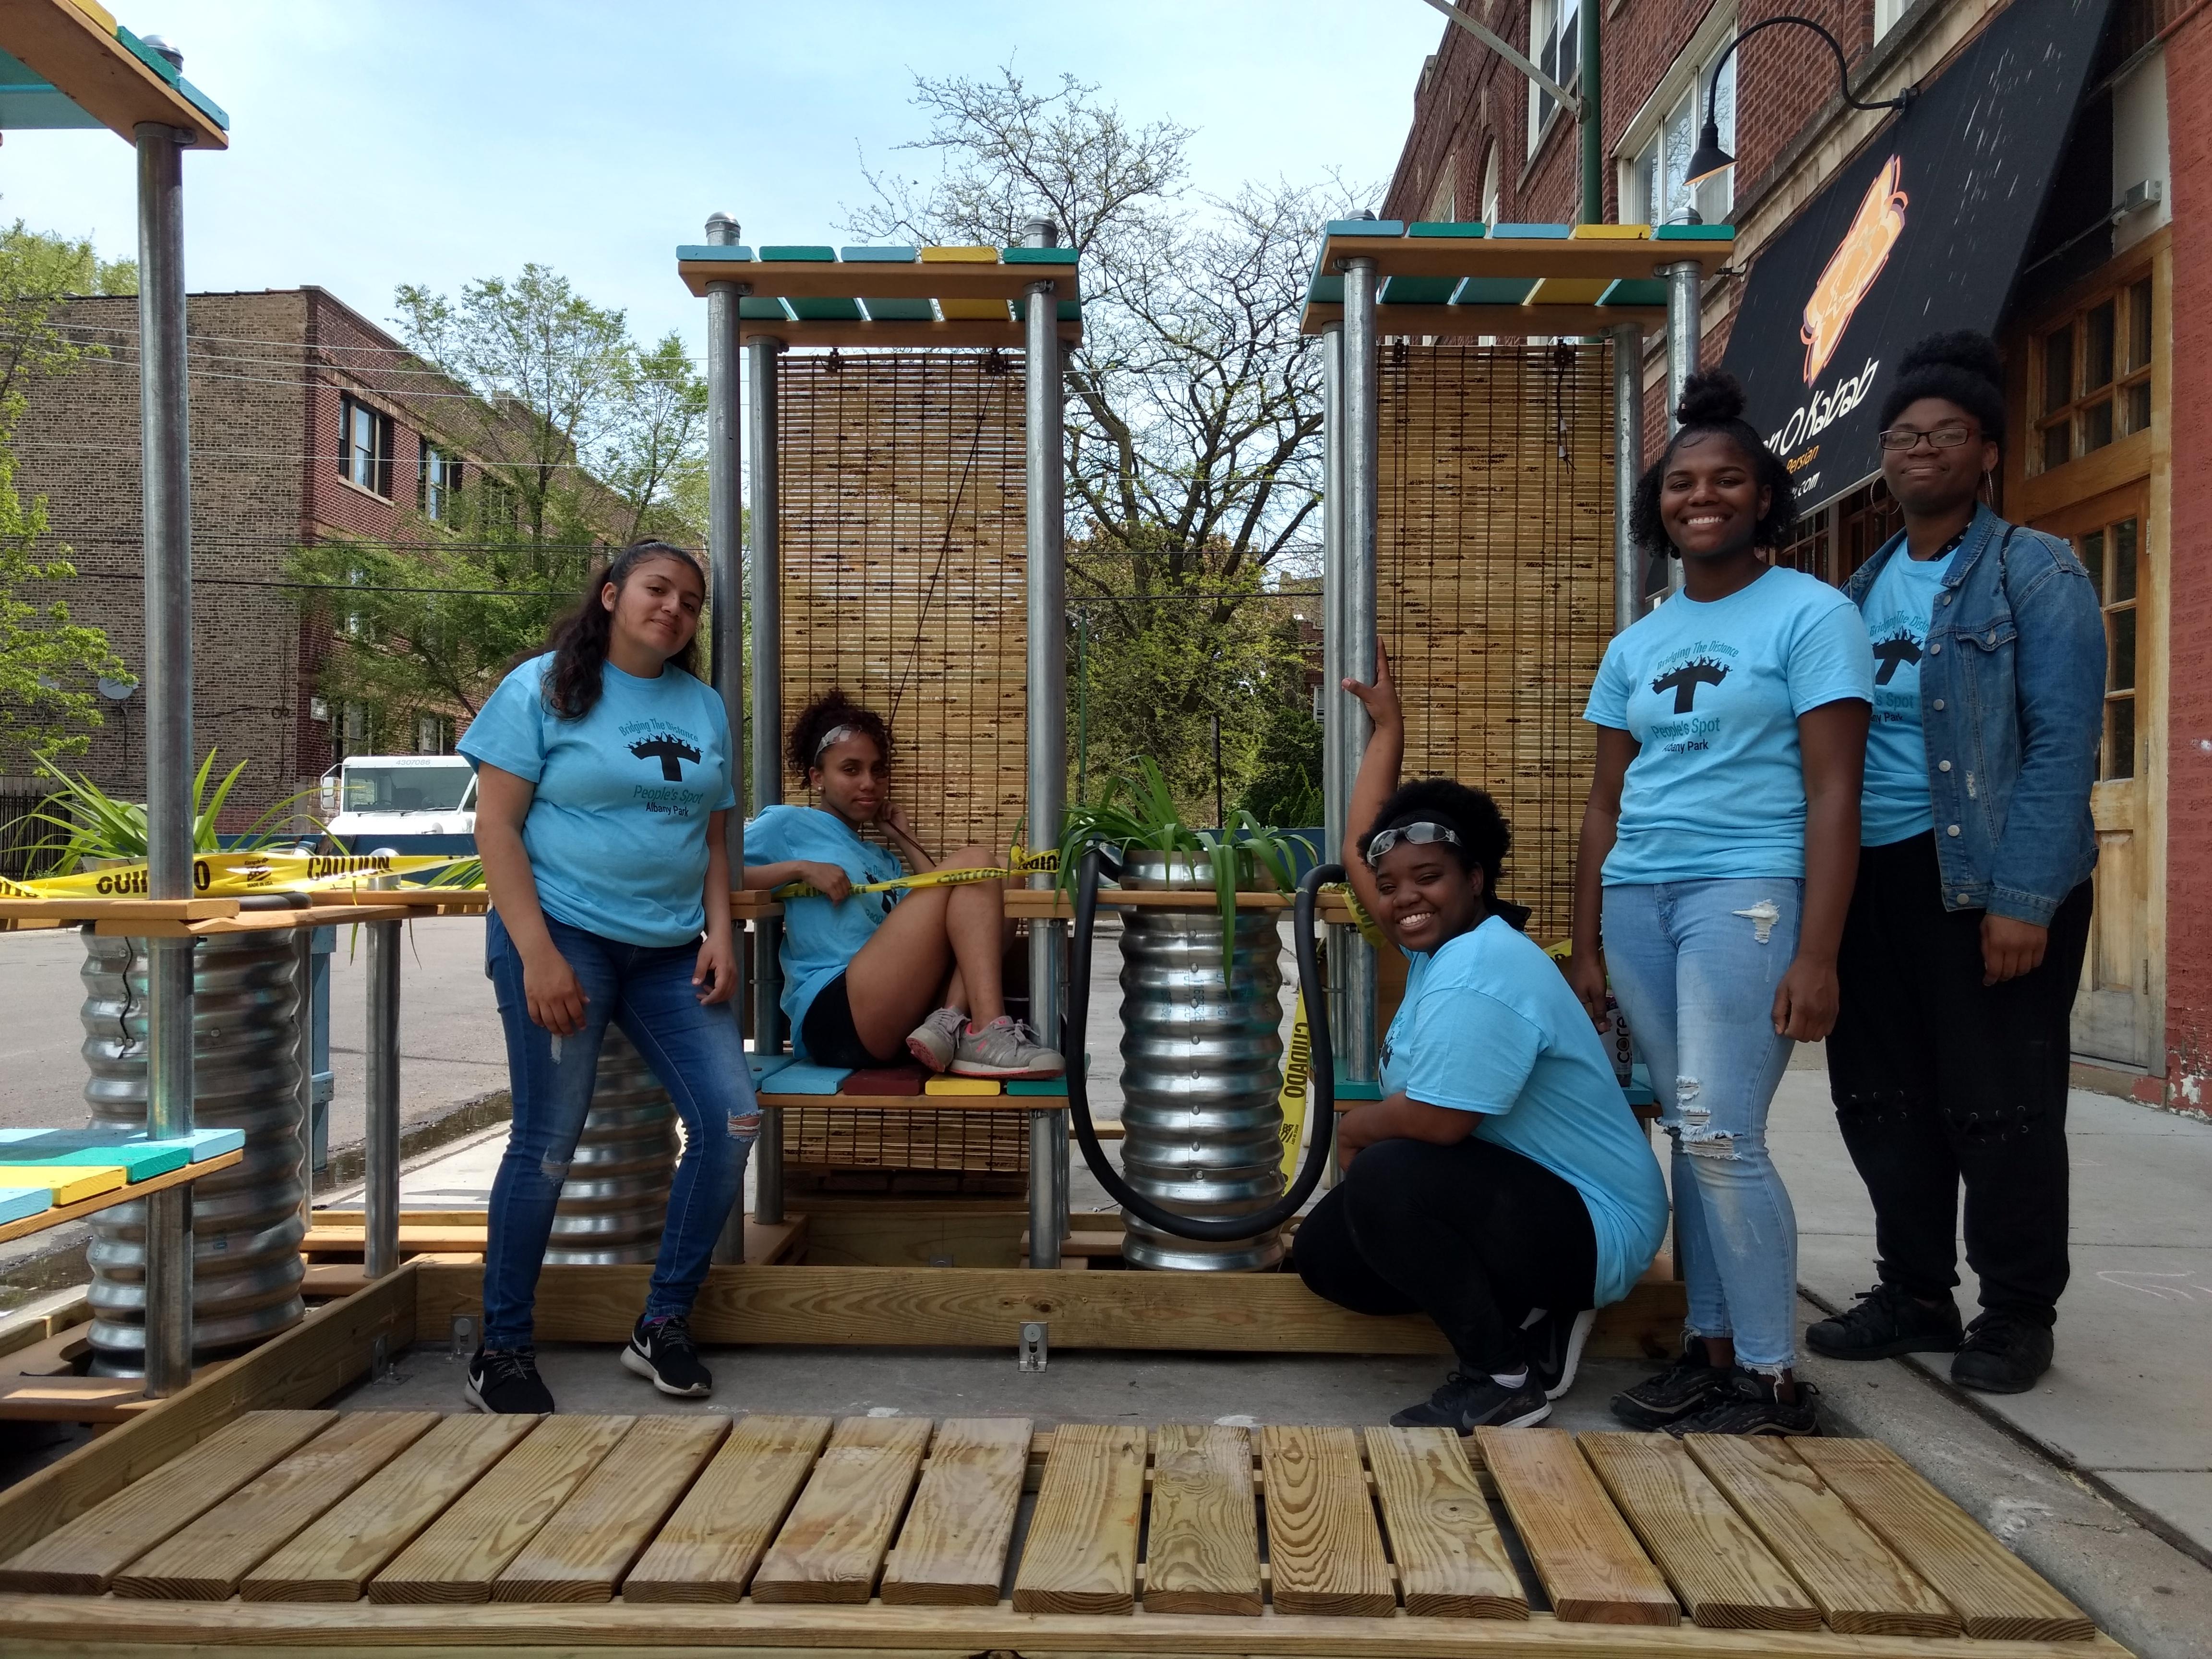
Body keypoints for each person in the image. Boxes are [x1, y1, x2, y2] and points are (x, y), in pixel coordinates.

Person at [1566, 370, 1873, 1438]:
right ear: (1661, 506)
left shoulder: (1814, 615)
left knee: (1718, 1124)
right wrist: (1588, 941)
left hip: (1748, 891)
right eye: (1682, 484)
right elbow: (1607, 802)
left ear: (1763, 497)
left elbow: (1838, 790)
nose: (1702, 498)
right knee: (1690, 1130)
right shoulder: (1637, 643)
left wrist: (1819, 952)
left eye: (1727, 480)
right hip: (1640, 897)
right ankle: (1709, 1352)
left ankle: (1770, 1375)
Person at [1806, 332, 2104, 1393]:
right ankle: (1915, 1292)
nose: (1920, 450)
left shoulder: (2036, 570)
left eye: (1945, 434)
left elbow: (2066, 741)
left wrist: (2023, 898)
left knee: (1999, 1102)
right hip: (1873, 878)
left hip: (1981, 878)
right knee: (1882, 1096)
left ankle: (2019, 1312)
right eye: (1903, 435)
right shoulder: (1859, 587)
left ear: (1986, 453)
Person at [1293, 642, 1669, 1432]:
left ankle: (1501, 1373)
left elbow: (1435, 1125)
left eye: (1427, 877)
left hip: (1597, 1224)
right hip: (1525, 1195)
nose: (1401, 899)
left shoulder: (1479, 965)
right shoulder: (1437, 945)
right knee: (1330, 1253)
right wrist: (1386, 729)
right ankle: (1533, 1308)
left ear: (1475, 879)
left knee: (1387, 1177)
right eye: (1391, 888)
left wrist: (1353, 1131)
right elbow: (1365, 841)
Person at [458, 540, 756, 1415]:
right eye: (658, 590)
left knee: (731, 1116)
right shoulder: (542, 686)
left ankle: (660, 1323)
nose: (673, 609)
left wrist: (720, 930)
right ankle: (502, 1349)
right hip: (562, 937)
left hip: (670, 952)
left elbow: (710, 833)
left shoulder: (702, 706)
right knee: (549, 1144)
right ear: (612, 593)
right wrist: (538, 952)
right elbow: (497, 830)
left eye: (691, 601)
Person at [741, 690, 1062, 1077]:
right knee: (978, 863)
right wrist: (799, 868)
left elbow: (952, 921)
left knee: (1002, 878)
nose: (868, 783)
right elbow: (712, 871)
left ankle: (953, 1022)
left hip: (899, 1015)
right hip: (836, 1012)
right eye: (851, 769)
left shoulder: (882, 859)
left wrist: (903, 839)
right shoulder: (788, 825)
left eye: (878, 771)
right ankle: (986, 1029)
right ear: (817, 778)